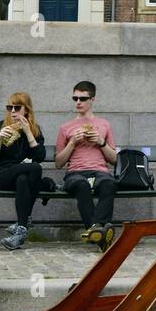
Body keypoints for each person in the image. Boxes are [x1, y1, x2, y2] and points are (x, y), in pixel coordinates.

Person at [55, 81, 118, 252]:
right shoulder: (65, 127)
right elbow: (59, 163)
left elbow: (114, 160)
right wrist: (73, 143)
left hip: (99, 171)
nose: (78, 102)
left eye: (82, 98)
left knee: (109, 184)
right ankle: (99, 231)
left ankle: (95, 229)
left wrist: (101, 142)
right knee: (81, 185)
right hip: (75, 173)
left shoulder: (104, 125)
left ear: (92, 99)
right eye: (75, 98)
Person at [0, 92, 46, 250]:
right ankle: (25, 221)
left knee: (23, 179)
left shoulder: (35, 130)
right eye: (9, 107)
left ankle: (20, 231)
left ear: (26, 110)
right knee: (35, 168)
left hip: (20, 180)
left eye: (17, 107)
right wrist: (0, 139)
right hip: (1, 176)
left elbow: (40, 156)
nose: (12, 111)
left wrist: (28, 132)